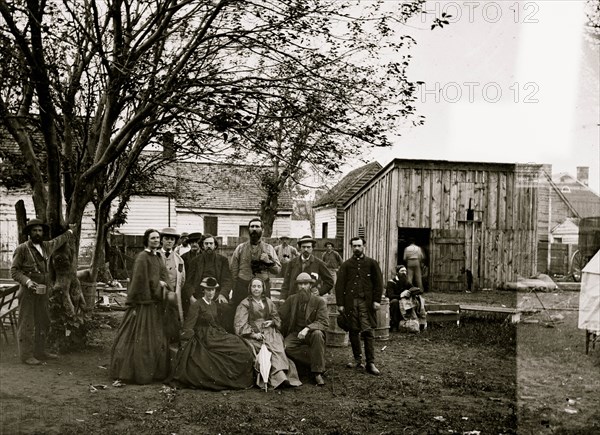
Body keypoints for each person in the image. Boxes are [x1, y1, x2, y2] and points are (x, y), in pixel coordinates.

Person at [110, 229, 176, 384]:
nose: (156, 240)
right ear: (146, 240)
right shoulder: (142, 257)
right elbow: (139, 281)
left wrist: (165, 286)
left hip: (156, 303)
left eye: (158, 238)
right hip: (143, 304)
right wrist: (157, 286)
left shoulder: (158, 257)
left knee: (156, 338)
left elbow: (163, 275)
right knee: (139, 338)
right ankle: (134, 372)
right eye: (153, 238)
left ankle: (155, 372)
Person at [11, 219, 76, 365]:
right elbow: (14, 271)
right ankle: (26, 356)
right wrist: (28, 282)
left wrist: (71, 232)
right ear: (29, 233)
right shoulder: (22, 249)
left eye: (40, 230)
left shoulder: (46, 246)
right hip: (28, 292)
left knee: (44, 321)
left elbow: (59, 240)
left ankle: (40, 351)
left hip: (43, 291)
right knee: (27, 322)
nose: (37, 233)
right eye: (34, 231)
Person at [173, 277, 255, 391]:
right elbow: (189, 325)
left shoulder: (213, 305)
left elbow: (215, 323)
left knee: (237, 343)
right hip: (203, 336)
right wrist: (185, 342)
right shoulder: (197, 305)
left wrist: (223, 332)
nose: (211, 292)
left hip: (214, 333)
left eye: (213, 290)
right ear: (203, 290)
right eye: (208, 290)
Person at [234, 277, 302, 389]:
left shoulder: (268, 302)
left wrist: (272, 322)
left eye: (259, 286)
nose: (256, 289)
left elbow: (277, 318)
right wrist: (253, 334)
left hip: (270, 332)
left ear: (263, 288)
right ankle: (278, 377)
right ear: (250, 288)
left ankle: (284, 375)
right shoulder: (244, 304)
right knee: (266, 351)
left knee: (278, 348)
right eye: (254, 286)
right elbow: (240, 324)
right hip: (253, 333)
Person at [336, 236, 383, 376]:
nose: (356, 248)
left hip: (366, 303)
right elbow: (339, 286)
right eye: (354, 246)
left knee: (368, 331)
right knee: (353, 331)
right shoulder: (346, 265)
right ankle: (358, 360)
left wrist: (376, 300)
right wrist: (340, 304)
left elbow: (378, 284)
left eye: (359, 245)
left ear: (364, 246)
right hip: (351, 303)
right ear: (351, 247)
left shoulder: (372, 264)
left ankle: (371, 363)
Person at [279, 272, 329, 386]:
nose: (302, 287)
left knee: (317, 334)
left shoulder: (319, 301)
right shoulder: (292, 299)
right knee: (286, 347)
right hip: (296, 333)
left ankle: (317, 373)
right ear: (297, 286)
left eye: (305, 284)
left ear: (310, 285)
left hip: (311, 333)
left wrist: (307, 328)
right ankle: (315, 362)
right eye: (300, 284)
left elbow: (324, 322)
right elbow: (280, 314)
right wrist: (271, 320)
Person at [181, 234, 232, 325]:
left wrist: (222, 294)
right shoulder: (195, 261)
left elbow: (227, 280)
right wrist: (191, 297)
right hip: (200, 295)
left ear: (215, 245)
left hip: (217, 295)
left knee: (225, 308)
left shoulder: (223, 260)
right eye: (206, 244)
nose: (209, 246)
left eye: (211, 243)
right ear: (202, 246)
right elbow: (188, 282)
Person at [230, 218, 280, 307]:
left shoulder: (269, 248)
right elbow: (233, 270)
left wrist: (268, 262)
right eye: (252, 226)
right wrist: (235, 288)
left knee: (263, 313)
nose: (254, 229)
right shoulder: (240, 248)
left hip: (262, 288)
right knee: (240, 312)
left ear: (262, 230)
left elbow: (277, 270)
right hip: (242, 287)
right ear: (248, 229)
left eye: (257, 226)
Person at [279, 235, 333, 301]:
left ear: (312, 248)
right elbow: (286, 283)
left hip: (311, 300)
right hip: (294, 299)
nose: (306, 249)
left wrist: (320, 291)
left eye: (308, 247)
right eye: (303, 247)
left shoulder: (318, 263)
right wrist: (282, 298)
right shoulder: (292, 263)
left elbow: (329, 281)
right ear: (300, 248)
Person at [159, 227, 186, 339]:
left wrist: (176, 289)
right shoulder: (155, 255)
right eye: (166, 238)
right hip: (158, 292)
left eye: (172, 239)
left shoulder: (179, 259)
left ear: (175, 241)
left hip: (174, 293)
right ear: (162, 240)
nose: (169, 241)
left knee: (172, 317)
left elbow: (182, 278)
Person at [386, 265, 412, 332]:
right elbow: (390, 295)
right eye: (402, 271)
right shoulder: (391, 282)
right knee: (395, 302)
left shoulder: (406, 282)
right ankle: (394, 324)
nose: (404, 272)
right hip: (394, 301)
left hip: (404, 300)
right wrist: (401, 296)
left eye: (405, 271)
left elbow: (412, 288)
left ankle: (413, 323)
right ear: (397, 273)